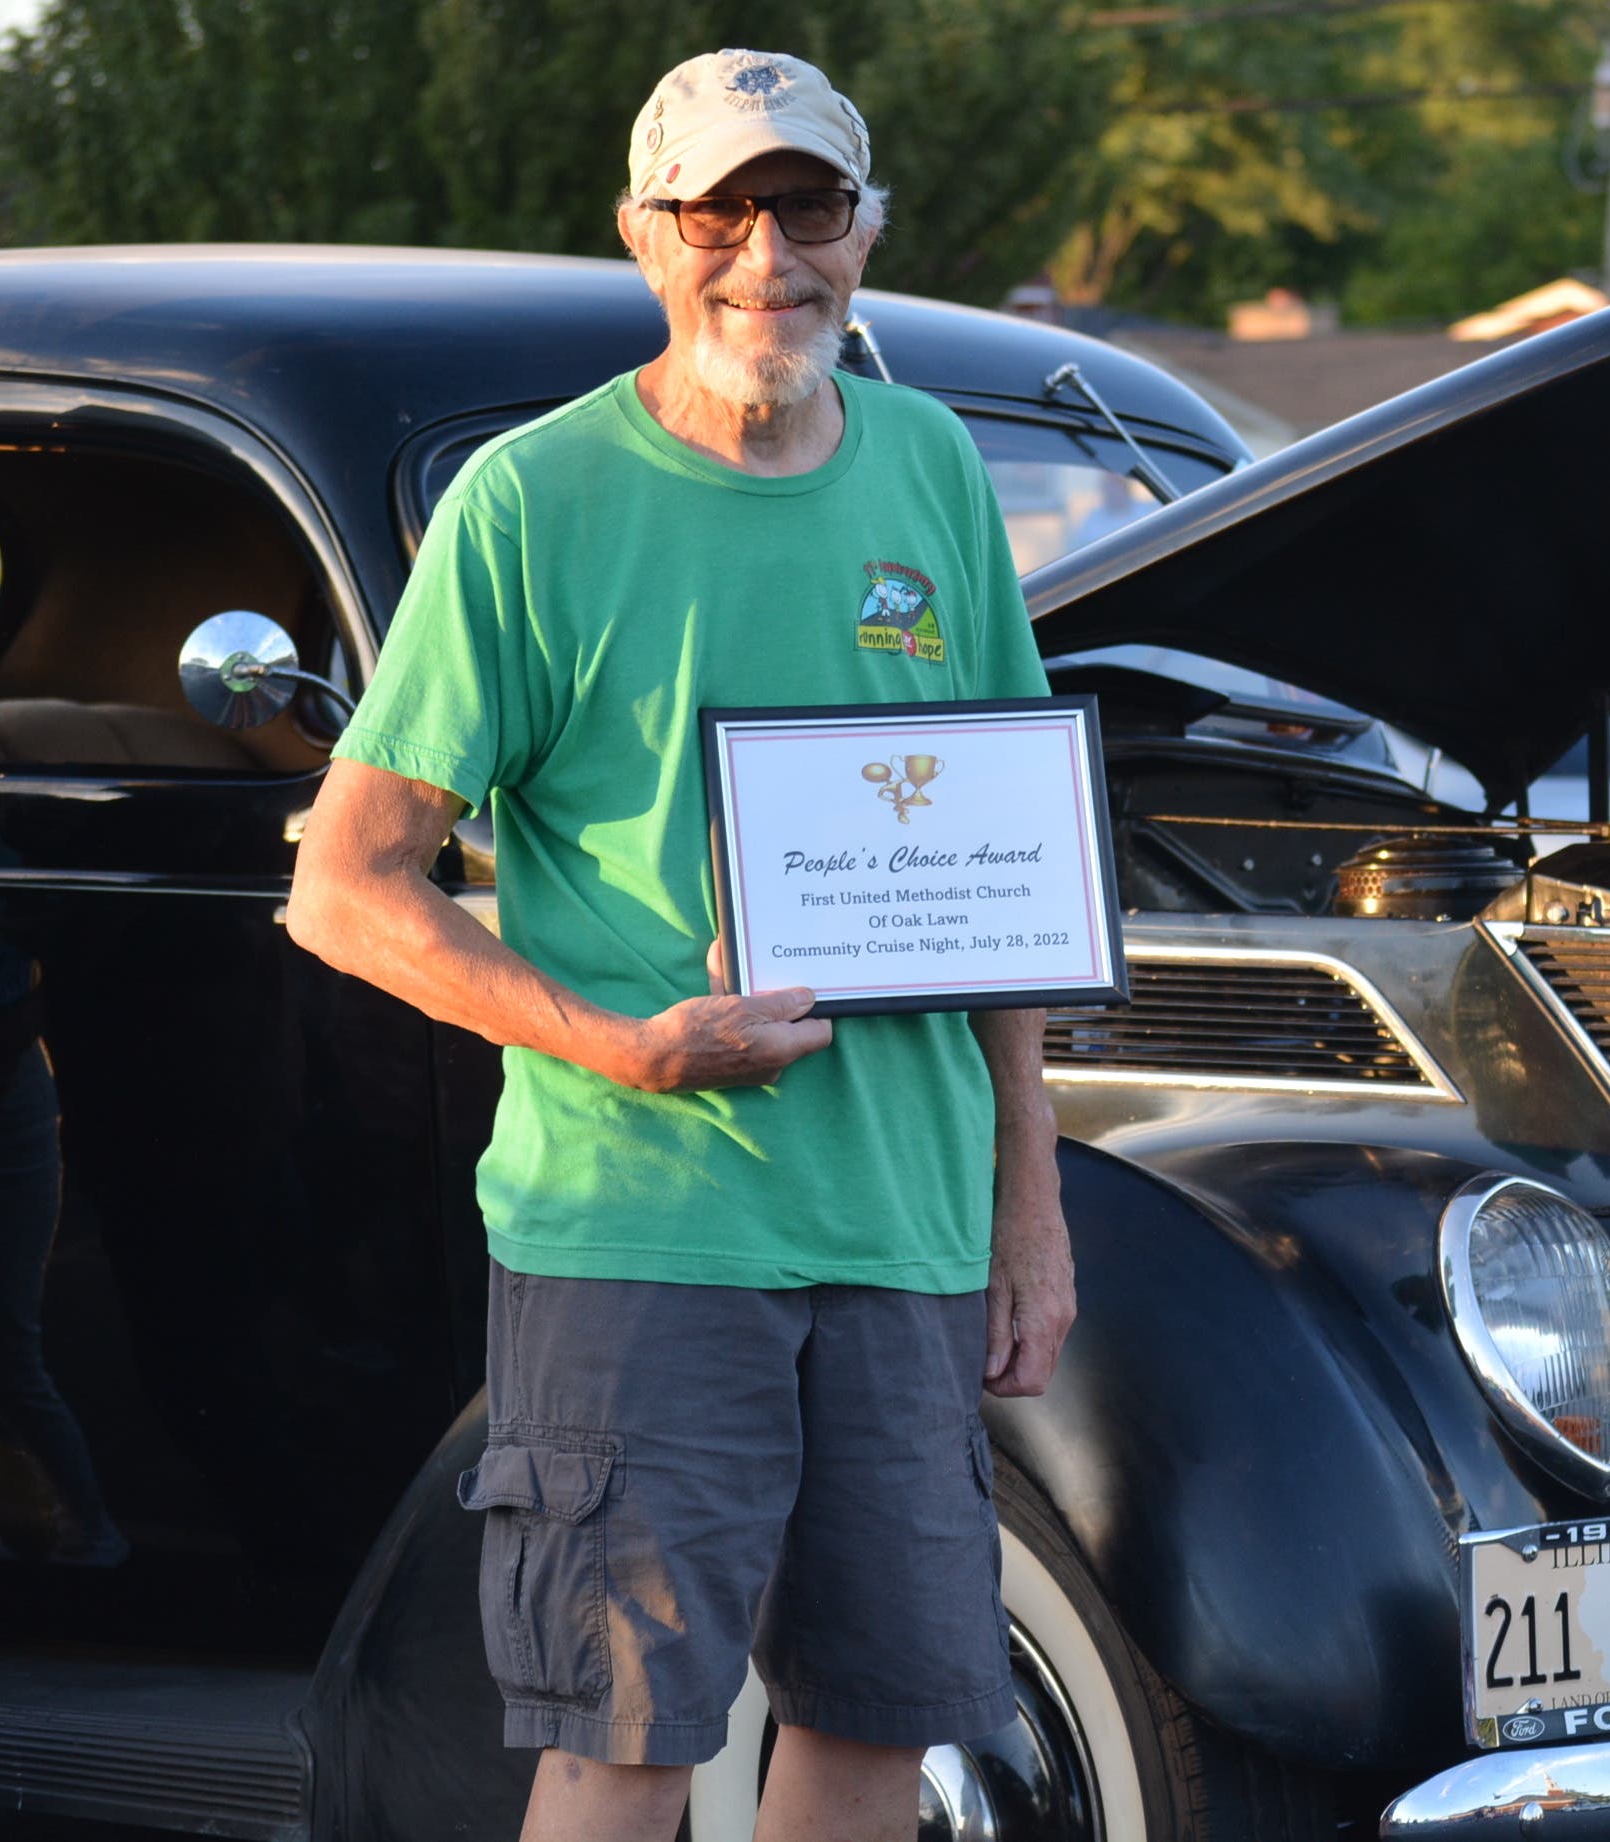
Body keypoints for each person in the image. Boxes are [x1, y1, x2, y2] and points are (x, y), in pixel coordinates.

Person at [285, 48, 1073, 1842]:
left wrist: (1028, 1192)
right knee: (629, 1735)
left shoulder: (937, 467)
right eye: (719, 212)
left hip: (907, 1226)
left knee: (887, 1723)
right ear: (648, 235)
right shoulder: (531, 503)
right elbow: (345, 885)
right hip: (645, 1226)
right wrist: (627, 1047)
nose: (765, 257)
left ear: (864, 233)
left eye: (806, 210)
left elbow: (1010, 848)